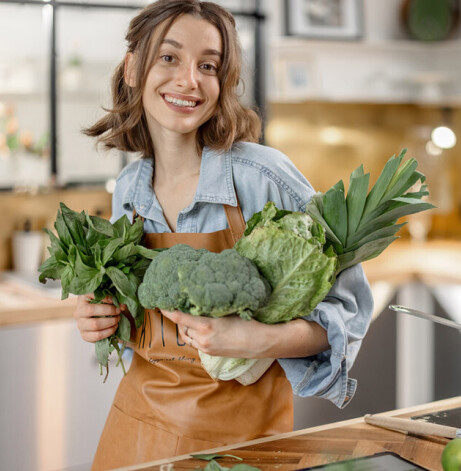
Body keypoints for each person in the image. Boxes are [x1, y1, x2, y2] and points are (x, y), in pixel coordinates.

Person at [73, 1, 373, 469]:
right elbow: (135, 307)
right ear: (133, 68)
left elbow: (346, 315)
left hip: (240, 446)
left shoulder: (262, 177)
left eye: (207, 65)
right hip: (136, 431)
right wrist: (99, 316)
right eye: (168, 58)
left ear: (222, 81)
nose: (189, 80)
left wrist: (254, 340)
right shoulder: (130, 191)